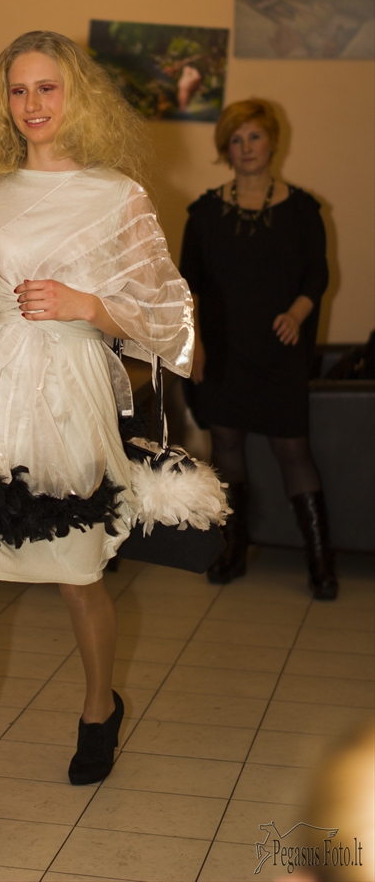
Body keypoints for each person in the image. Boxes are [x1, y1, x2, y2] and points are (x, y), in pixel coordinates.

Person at [0, 30, 193, 873]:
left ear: (77, 94)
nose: (30, 105)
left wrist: (89, 305)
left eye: (45, 88)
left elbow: (172, 322)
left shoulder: (118, 196)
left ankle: (99, 704)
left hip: (70, 401)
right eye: (16, 91)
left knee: (79, 582)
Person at [179, 97, 337, 600]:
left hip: (281, 348)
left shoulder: (303, 209)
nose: (245, 147)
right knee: (226, 446)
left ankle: (320, 560)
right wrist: (194, 345)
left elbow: (318, 274)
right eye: (236, 139)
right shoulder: (204, 212)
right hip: (222, 350)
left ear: (272, 143)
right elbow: (187, 286)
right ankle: (232, 549)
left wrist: (298, 313)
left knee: (293, 449)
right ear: (226, 148)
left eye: (254, 137)